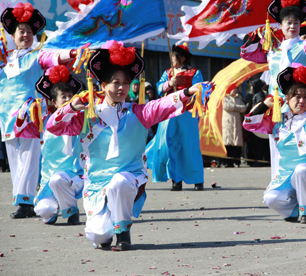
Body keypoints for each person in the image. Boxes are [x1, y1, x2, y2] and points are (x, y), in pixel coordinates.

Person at [46, 40, 210, 250]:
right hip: (96, 183)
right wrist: (70, 107)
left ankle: (123, 230)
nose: (122, 87)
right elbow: (53, 126)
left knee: (119, 183)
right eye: (116, 82)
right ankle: (106, 230)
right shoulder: (88, 115)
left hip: (128, 176)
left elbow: (163, 104)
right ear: (103, 86)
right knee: (98, 235)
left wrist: (188, 92)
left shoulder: (138, 112)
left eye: (125, 82)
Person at [240, 0, 306, 179]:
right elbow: (248, 54)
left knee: (299, 145)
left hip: (298, 103)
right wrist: (255, 35)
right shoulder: (272, 49)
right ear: (281, 25)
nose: (292, 26)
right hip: (275, 104)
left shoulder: (304, 46)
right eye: (288, 22)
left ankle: (305, 182)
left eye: (295, 22)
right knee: (277, 145)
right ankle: (280, 183)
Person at [0, 2, 81, 218]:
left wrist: (71, 53)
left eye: (28, 31)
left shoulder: (37, 55)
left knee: (29, 156)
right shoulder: (5, 62)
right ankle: (22, 198)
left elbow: (53, 58)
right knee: (15, 159)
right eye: (21, 31)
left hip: (30, 113)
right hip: (7, 116)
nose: (25, 35)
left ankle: (25, 202)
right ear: (13, 35)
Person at [243, 65, 306, 224]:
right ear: (287, 99)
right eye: (297, 97)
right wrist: (265, 105)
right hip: (287, 174)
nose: (301, 101)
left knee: (302, 169)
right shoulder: (278, 119)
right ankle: (295, 211)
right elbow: (249, 123)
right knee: (271, 198)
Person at [15, 65, 84, 225]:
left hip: (74, 174)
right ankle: (53, 208)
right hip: (48, 178)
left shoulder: (81, 119)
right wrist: (27, 110)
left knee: (59, 180)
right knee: (45, 211)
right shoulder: (44, 121)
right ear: (54, 101)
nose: (68, 100)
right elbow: (20, 130)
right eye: (63, 97)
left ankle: (71, 209)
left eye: (70, 96)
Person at [146, 42, 204, 191]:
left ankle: (197, 179)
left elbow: (200, 90)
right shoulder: (168, 72)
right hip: (170, 112)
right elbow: (159, 88)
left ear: (182, 58)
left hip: (187, 114)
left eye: (174, 57)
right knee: (170, 144)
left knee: (189, 145)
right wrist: (168, 84)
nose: (171, 60)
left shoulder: (195, 73)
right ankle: (175, 180)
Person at [222, 88, 246, 167]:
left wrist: (234, 107)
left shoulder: (239, 98)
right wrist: (237, 108)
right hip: (227, 123)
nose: (235, 90)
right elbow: (226, 106)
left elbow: (244, 108)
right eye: (233, 89)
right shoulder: (225, 97)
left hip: (237, 123)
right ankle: (227, 162)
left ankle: (236, 162)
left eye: (236, 89)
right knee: (228, 142)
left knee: (237, 143)